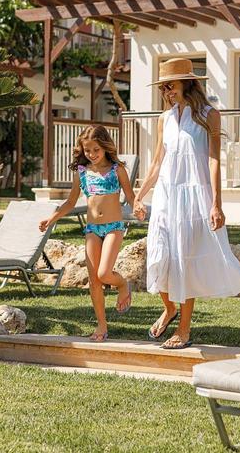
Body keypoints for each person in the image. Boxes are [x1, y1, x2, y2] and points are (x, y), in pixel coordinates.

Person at [134, 58, 240, 350]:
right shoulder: (164, 118)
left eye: (170, 86)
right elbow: (157, 161)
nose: (167, 92)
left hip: (193, 198)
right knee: (159, 254)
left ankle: (183, 330)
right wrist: (139, 195)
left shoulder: (209, 115)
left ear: (187, 83)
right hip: (166, 196)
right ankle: (169, 308)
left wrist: (216, 204)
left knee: (184, 259)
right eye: (163, 87)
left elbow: (213, 161)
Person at [39, 125, 136, 342]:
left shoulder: (117, 169)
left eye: (96, 150)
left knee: (104, 274)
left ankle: (122, 284)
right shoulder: (82, 172)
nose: (91, 154)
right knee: (94, 280)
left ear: (105, 147)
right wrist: (51, 219)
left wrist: (137, 206)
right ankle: (101, 324)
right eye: (87, 150)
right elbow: (70, 202)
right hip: (92, 229)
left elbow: (130, 196)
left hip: (113, 227)